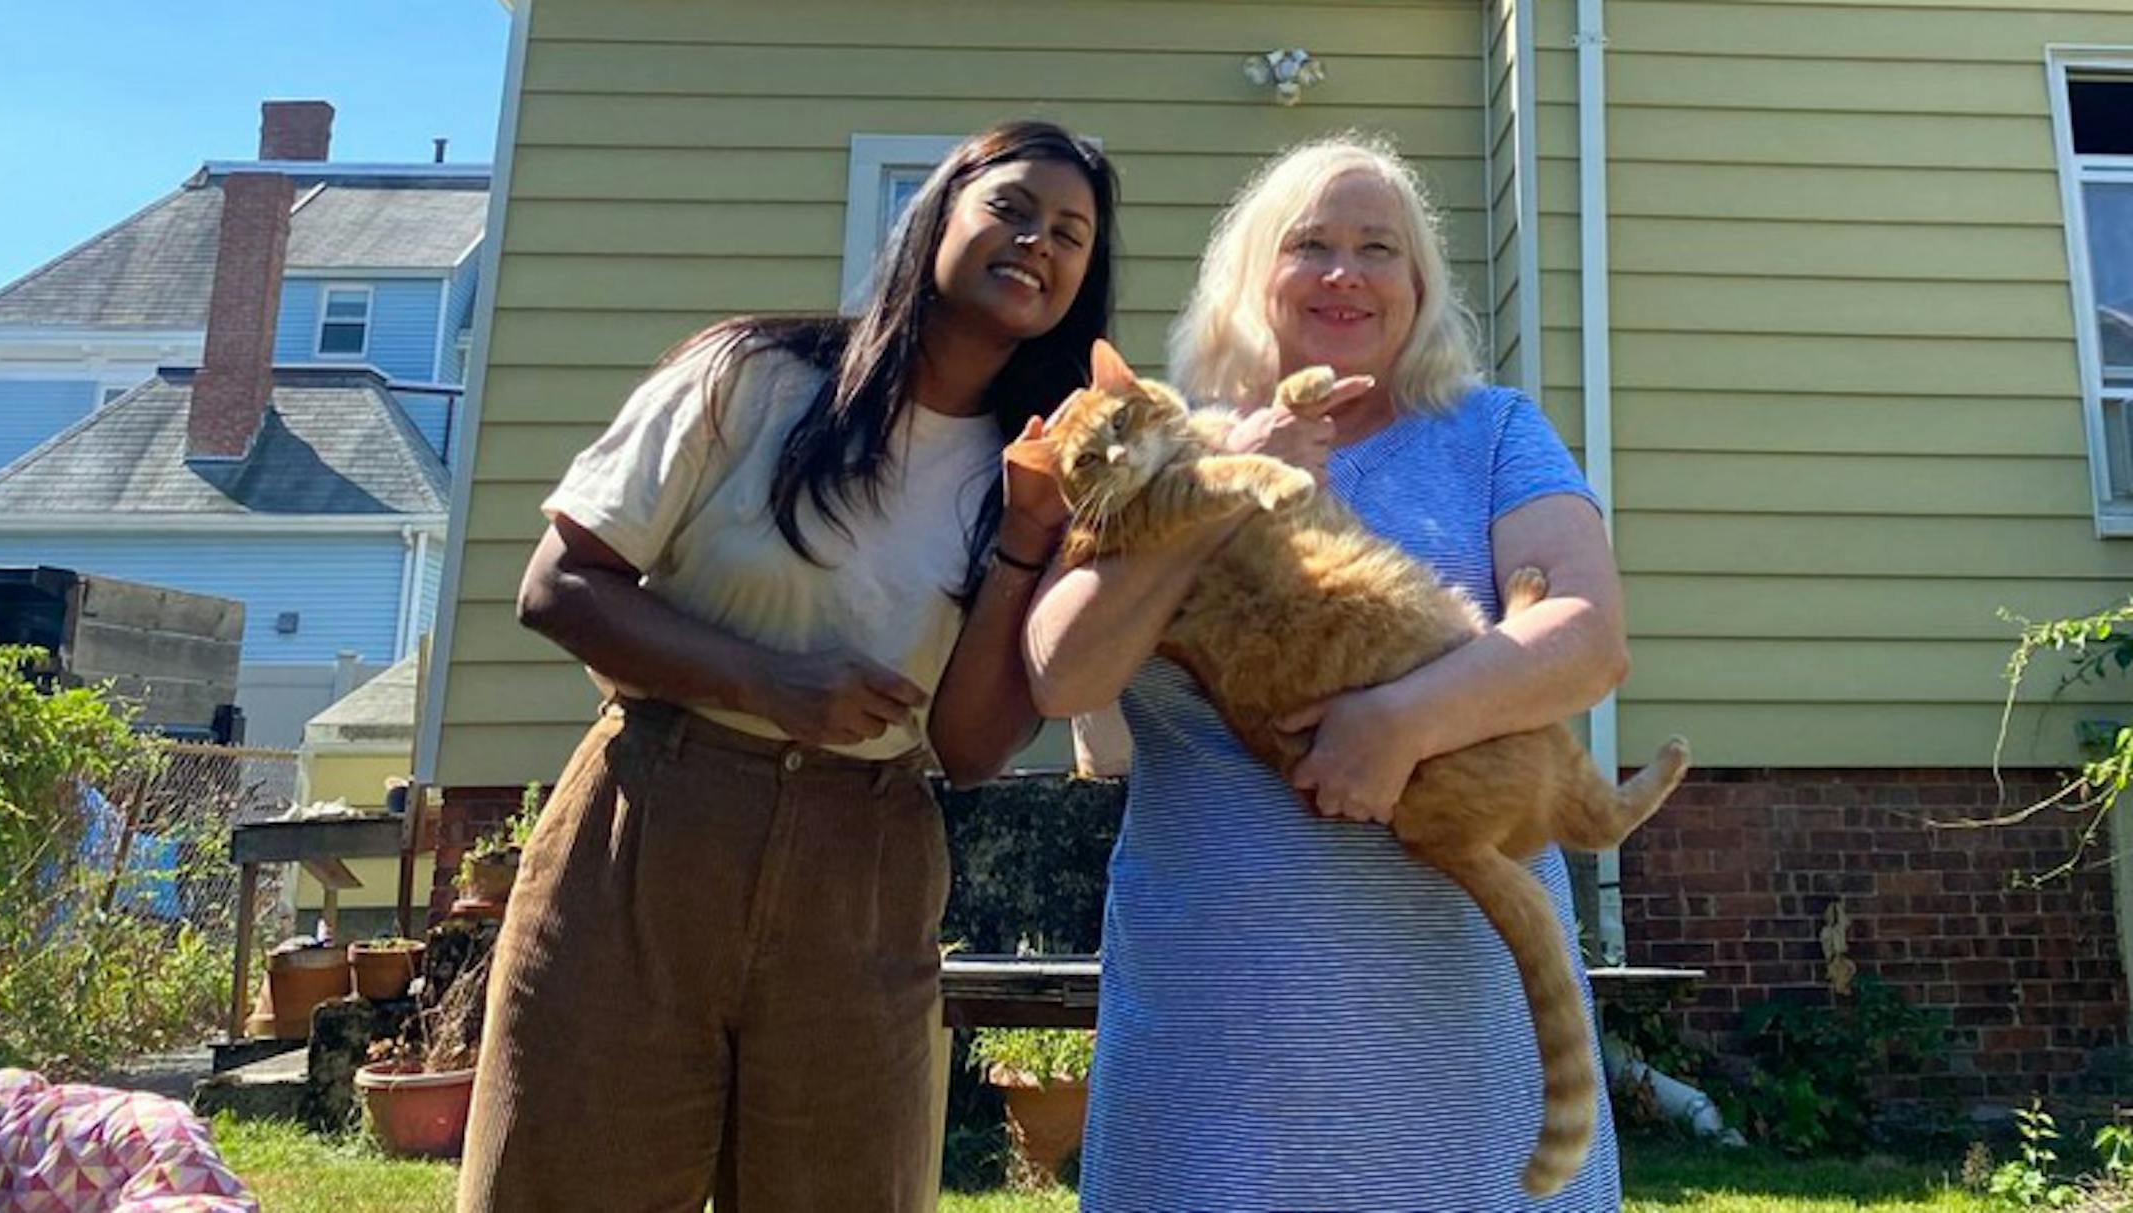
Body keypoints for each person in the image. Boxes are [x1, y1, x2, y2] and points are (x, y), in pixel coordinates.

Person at [457, 120, 1118, 1213]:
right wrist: (767, 681)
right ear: (939, 213)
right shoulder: (751, 377)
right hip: (650, 826)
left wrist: (1024, 538)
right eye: (1011, 207)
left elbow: (968, 747)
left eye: (1070, 233)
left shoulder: (1042, 469)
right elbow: (558, 586)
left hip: (864, 866)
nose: (1036, 240)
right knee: (566, 1180)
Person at [1026, 134, 1630, 1210]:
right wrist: (1224, 491)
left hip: (1453, 1035)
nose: (1345, 272)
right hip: (1216, 1038)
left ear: (1419, 288)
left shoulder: (1490, 434)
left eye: (1379, 249)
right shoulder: (1155, 452)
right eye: (1310, 244)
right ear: (1252, 277)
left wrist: (1400, 720)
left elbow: (1587, 635)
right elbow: (1062, 670)